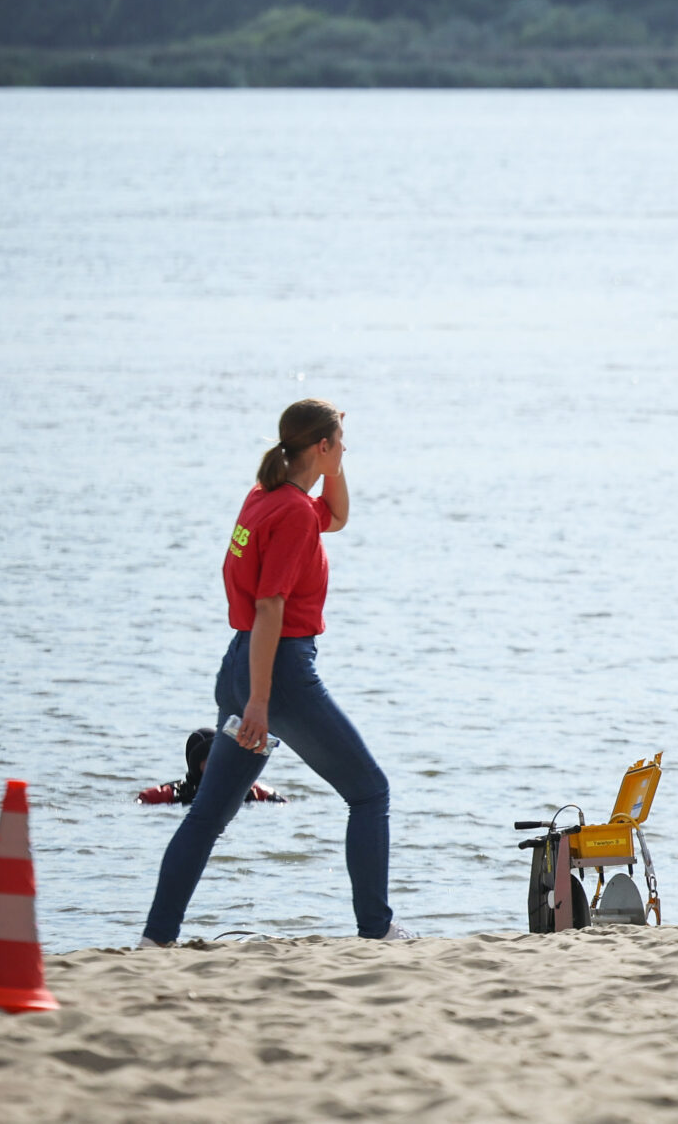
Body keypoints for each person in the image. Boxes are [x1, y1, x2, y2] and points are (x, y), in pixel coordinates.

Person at [144, 400, 408, 946]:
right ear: (321, 446)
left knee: (208, 816)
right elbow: (269, 606)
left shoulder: (269, 495)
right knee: (370, 793)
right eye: (340, 444)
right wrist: (262, 704)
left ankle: (156, 939)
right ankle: (378, 932)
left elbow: (336, 517)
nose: (344, 453)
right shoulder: (288, 512)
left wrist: (334, 459)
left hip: (240, 665)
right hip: (279, 674)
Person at [136, 728, 283, 805]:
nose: (219, 766)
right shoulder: (173, 793)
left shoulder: (252, 791)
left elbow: (281, 804)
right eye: (211, 761)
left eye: (221, 759)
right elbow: (141, 802)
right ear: (195, 764)